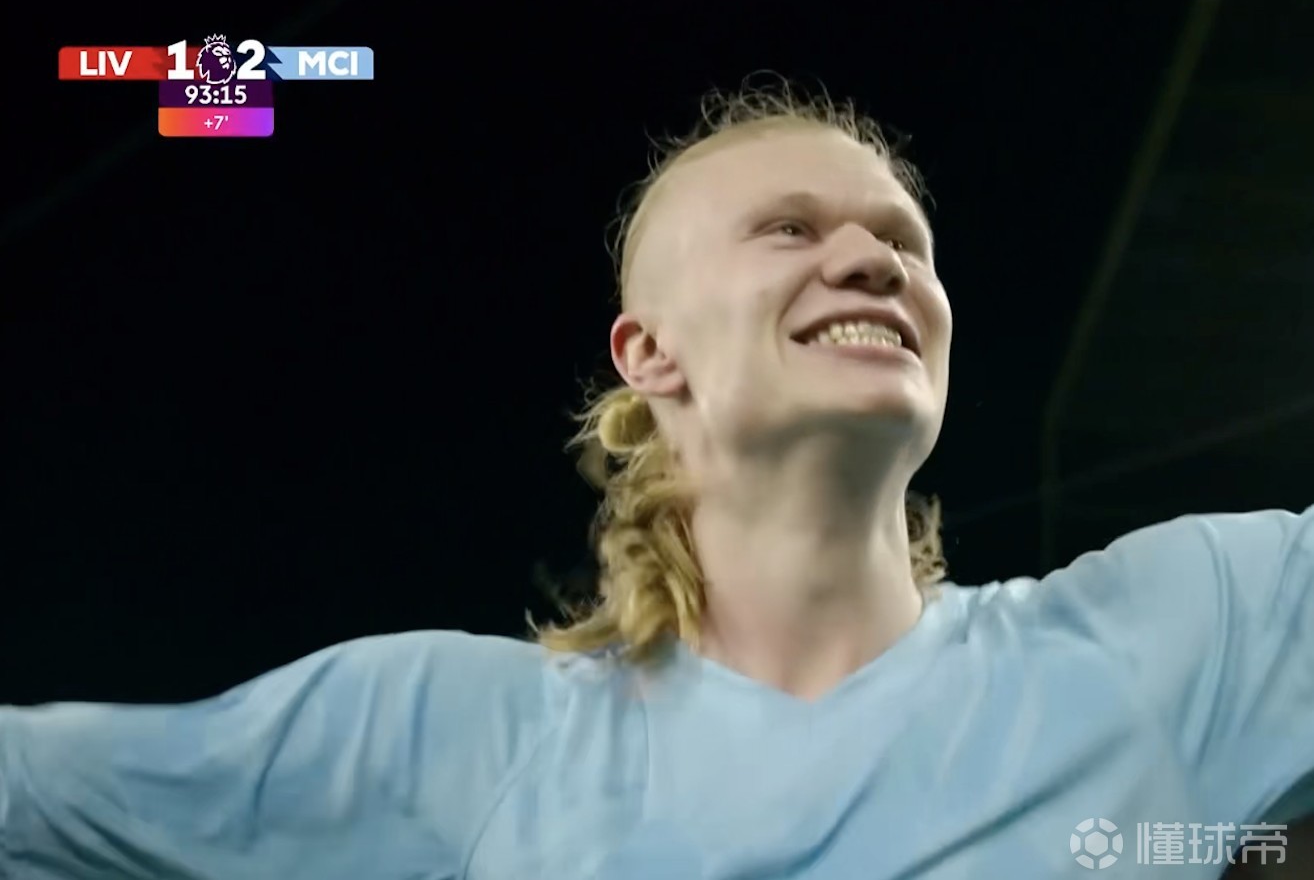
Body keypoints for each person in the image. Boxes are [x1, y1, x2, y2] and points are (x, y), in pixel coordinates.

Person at [1, 83, 1310, 880]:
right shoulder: (452, 736)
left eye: (904, 243)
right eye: (789, 229)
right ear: (649, 353)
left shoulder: (1179, 637)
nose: (876, 262)